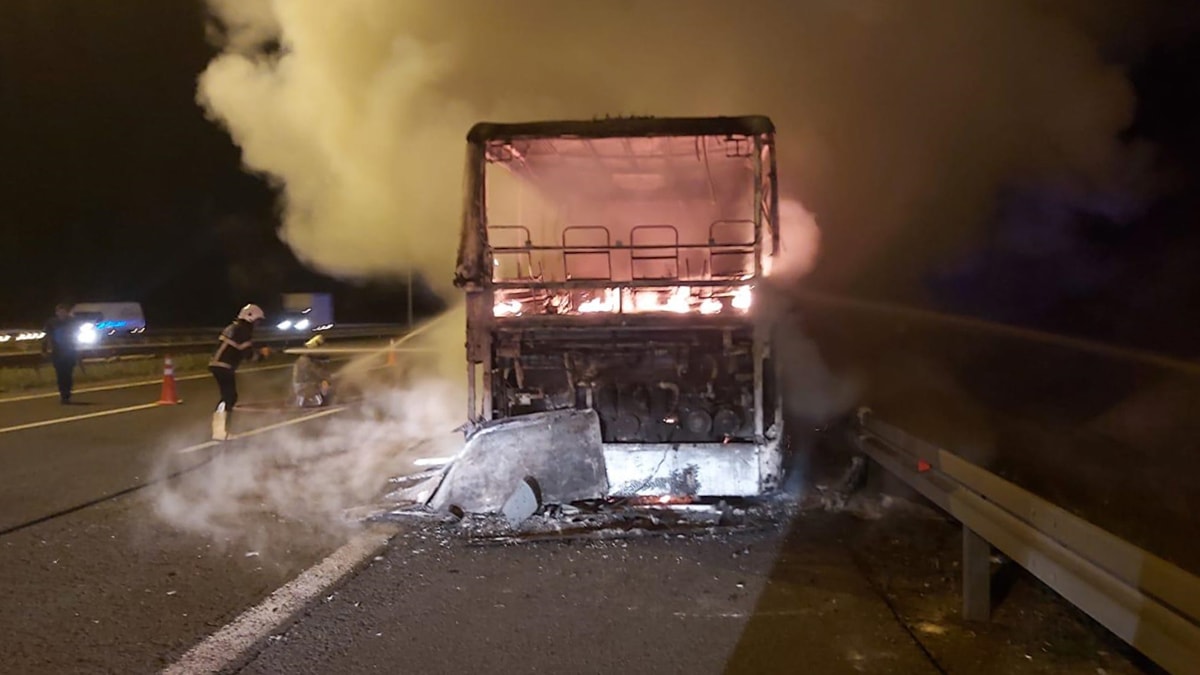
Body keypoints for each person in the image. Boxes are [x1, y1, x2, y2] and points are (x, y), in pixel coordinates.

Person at [208, 303, 265, 440]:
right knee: (228, 397)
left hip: (219, 364)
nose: (257, 325)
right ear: (250, 317)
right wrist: (262, 354)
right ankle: (219, 431)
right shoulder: (242, 330)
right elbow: (249, 355)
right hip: (223, 365)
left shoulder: (235, 328)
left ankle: (221, 430)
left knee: (230, 396)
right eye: (257, 321)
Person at [42, 303, 81, 404]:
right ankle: (63, 395)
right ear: (57, 312)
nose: (62, 313)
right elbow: (46, 337)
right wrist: (44, 349)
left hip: (69, 352)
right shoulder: (51, 323)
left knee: (68, 374)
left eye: (63, 311)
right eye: (60, 311)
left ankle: (67, 393)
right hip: (57, 352)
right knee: (60, 374)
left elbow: (76, 336)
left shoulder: (72, 322)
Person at [292, 334, 334, 408]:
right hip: (305, 387)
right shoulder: (305, 361)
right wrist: (324, 380)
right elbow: (314, 373)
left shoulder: (314, 360)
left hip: (310, 385)